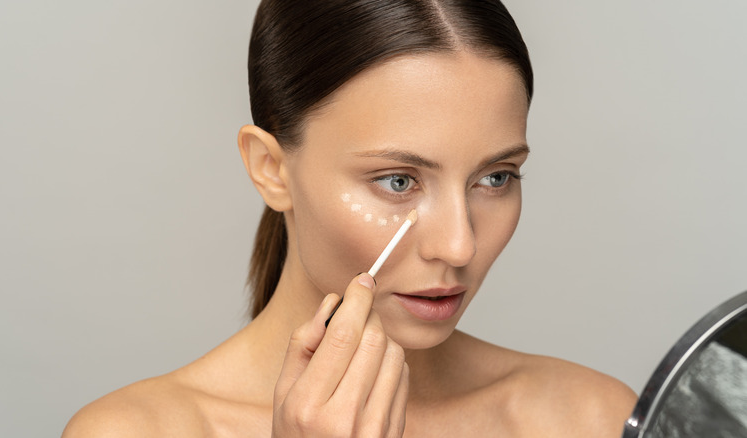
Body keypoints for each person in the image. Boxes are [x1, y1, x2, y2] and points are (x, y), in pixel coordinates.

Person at [63, 0, 637, 436]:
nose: (459, 246)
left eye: (495, 178)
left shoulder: (593, 419)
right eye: (398, 181)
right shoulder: (132, 431)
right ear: (271, 169)